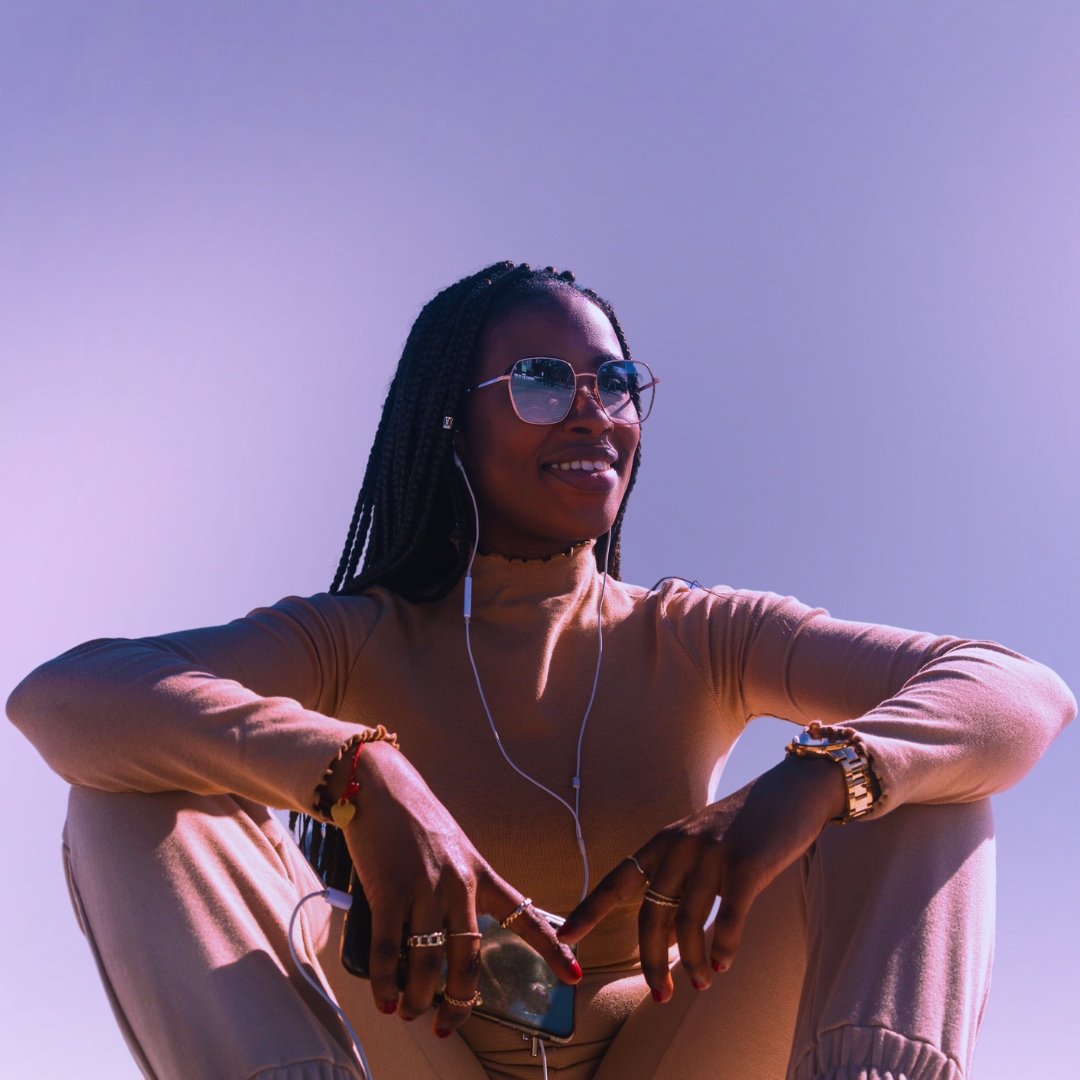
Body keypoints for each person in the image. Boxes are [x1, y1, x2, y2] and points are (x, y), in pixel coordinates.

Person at [7, 261, 1074, 1080]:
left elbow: (1019, 690)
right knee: (130, 795)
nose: (591, 409)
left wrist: (812, 778)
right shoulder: (350, 639)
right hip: (420, 1042)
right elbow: (64, 698)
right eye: (540, 379)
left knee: (915, 787)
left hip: (676, 1042)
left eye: (616, 382)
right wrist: (352, 773)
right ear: (451, 426)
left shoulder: (697, 632)